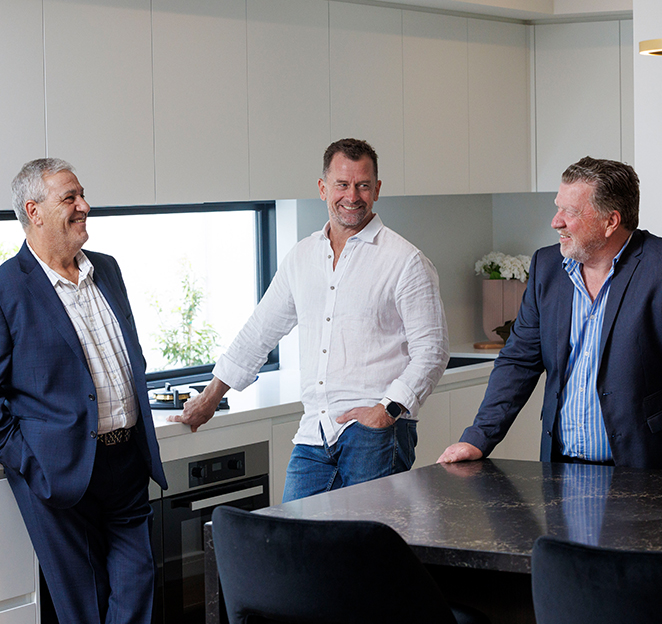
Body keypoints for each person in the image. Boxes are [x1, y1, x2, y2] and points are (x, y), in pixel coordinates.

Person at [173, 138, 449, 501]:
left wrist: (387, 411)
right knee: (294, 545)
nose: (352, 196)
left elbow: (433, 350)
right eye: (342, 184)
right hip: (313, 434)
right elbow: (260, 331)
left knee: (362, 552)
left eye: (363, 185)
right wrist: (210, 398)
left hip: (374, 434)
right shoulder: (302, 258)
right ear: (323, 188)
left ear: (377, 190)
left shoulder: (405, 261)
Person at [0, 158, 167, 623]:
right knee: (85, 607)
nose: (84, 206)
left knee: (138, 587)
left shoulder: (108, 270)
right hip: (58, 474)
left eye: (82, 195)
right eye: (69, 198)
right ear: (33, 211)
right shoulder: (7, 287)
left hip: (126, 462)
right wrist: (29, 461)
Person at [438, 156, 662, 469]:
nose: (556, 221)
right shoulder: (547, 267)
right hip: (562, 468)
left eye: (570, 212)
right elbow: (518, 361)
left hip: (642, 470)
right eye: (558, 208)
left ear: (611, 221)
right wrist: (478, 437)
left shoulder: (657, 268)